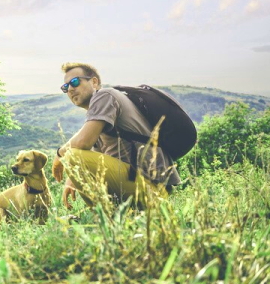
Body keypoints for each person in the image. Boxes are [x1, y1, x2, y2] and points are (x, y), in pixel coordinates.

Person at [51, 62, 180, 209]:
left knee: (72, 155)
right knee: (74, 156)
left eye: (75, 82)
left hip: (149, 186)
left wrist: (59, 154)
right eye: (65, 87)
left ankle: (106, 219)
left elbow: (82, 143)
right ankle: (115, 217)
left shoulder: (105, 96)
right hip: (139, 182)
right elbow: (91, 153)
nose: (70, 89)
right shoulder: (99, 115)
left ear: (94, 82)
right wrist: (72, 179)